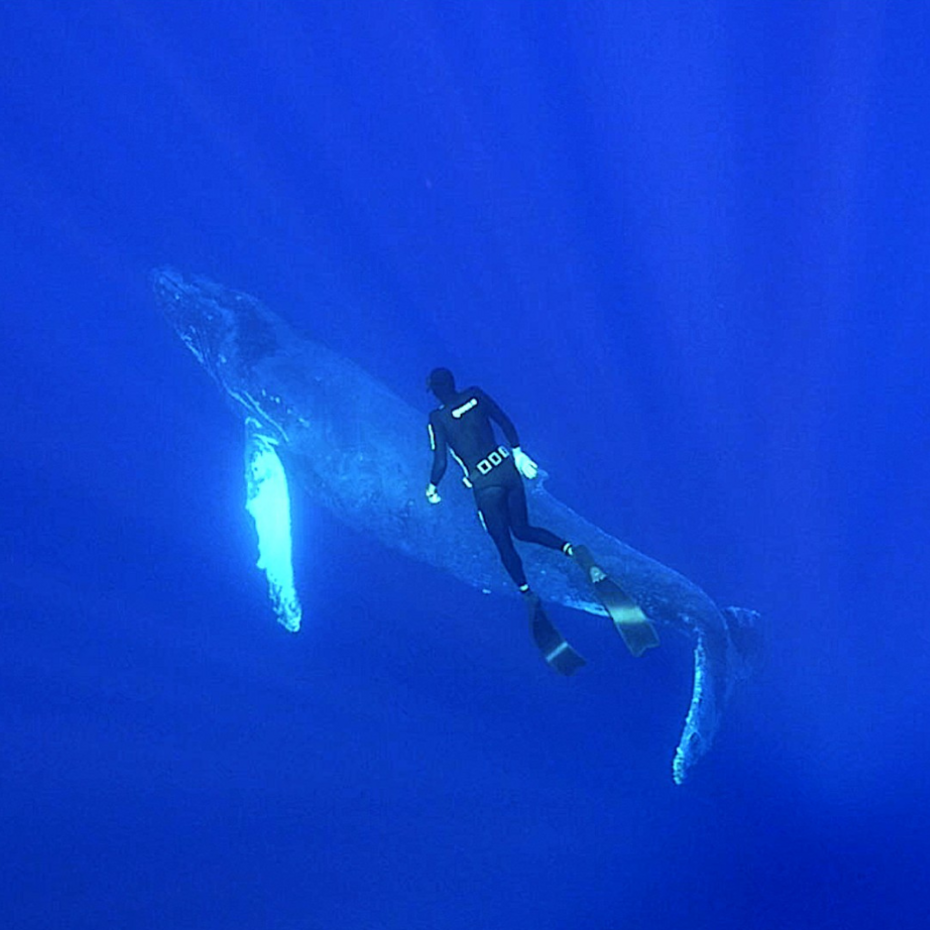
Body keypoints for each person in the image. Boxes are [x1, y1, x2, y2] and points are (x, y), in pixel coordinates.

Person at [424, 367, 573, 603]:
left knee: (504, 543)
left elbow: (441, 461)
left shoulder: (437, 418)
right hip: (507, 470)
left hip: (486, 486)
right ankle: (571, 550)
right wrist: (519, 454)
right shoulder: (475, 394)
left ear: (435, 391)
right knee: (523, 530)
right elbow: (505, 422)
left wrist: (432, 488)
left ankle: (527, 593)